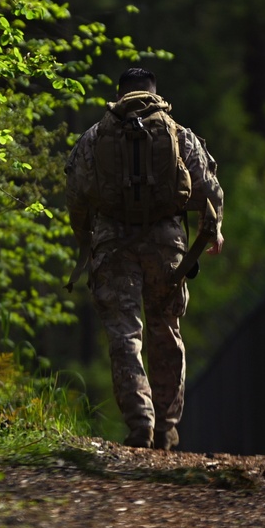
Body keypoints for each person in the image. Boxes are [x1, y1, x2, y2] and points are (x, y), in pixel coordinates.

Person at [64, 68, 224, 450]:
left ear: (118, 93)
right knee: (165, 331)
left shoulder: (96, 135)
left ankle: (140, 424)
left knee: (125, 337)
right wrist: (213, 228)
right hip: (166, 244)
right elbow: (208, 187)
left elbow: (77, 193)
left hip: (113, 244)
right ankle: (167, 429)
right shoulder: (177, 132)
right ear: (155, 92)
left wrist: (84, 237)